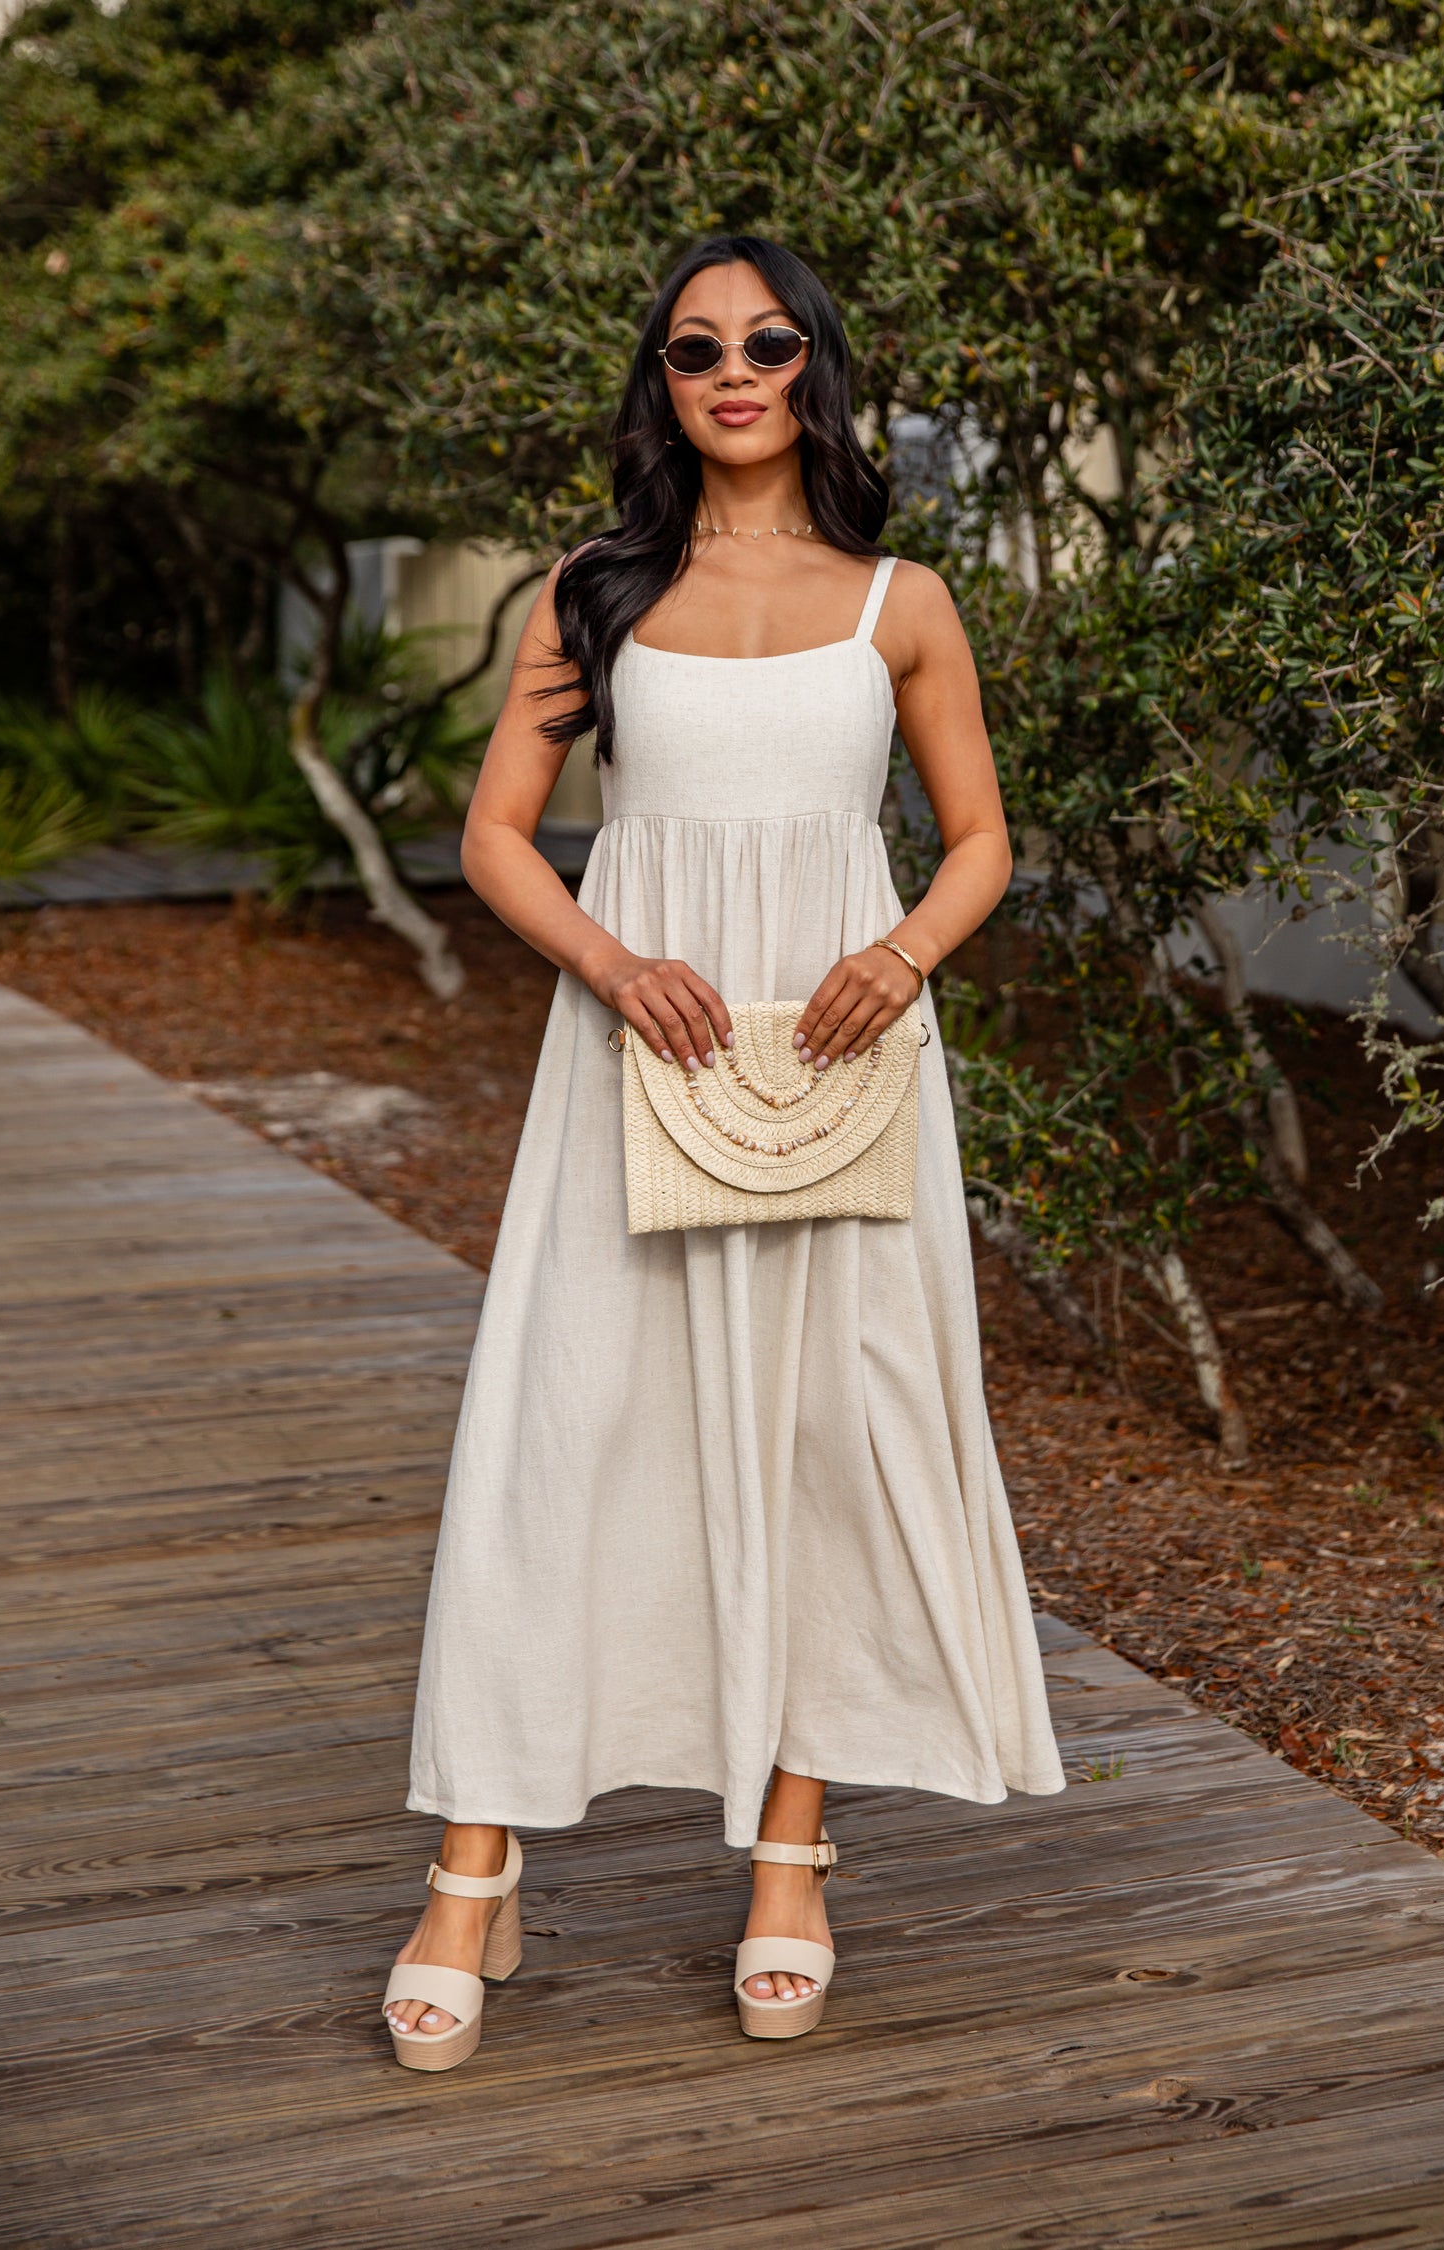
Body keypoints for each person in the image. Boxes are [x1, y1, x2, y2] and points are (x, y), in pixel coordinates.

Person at [382, 233, 1063, 2071]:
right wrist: (612, 962)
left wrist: (900, 950)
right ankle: (473, 1861)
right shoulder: (594, 585)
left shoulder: (901, 599)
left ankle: (790, 1849)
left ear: (817, 366)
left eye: (768, 342)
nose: (734, 369)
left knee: (822, 1437)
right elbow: (501, 836)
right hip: (636, 1053)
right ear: (663, 382)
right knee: (563, 1426)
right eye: (697, 348)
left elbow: (982, 836)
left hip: (846, 1062)